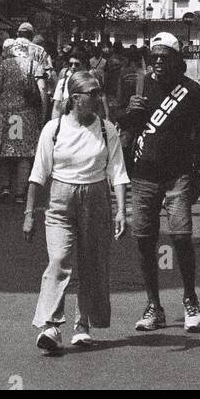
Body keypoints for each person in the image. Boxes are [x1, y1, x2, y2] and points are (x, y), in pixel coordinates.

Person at [24, 70, 128, 353]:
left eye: (98, 92)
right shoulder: (53, 129)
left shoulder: (106, 129)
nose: (98, 98)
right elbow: (38, 173)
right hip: (60, 199)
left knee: (92, 263)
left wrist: (121, 210)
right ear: (75, 99)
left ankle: (83, 326)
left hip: (96, 198)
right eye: (92, 94)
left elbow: (117, 171)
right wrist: (29, 213)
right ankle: (50, 324)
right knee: (58, 259)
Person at [118, 30, 200, 333]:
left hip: (178, 175)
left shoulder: (191, 91)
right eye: (153, 57)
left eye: (164, 58)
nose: (157, 62)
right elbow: (121, 123)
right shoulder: (139, 86)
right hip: (143, 174)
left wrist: (198, 175)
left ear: (176, 60)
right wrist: (129, 112)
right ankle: (153, 305)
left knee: (181, 237)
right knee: (144, 241)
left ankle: (190, 298)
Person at [0, 37, 49, 204]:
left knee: (6, 152)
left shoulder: (4, 65)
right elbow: (43, 91)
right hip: (26, 114)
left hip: (6, 114)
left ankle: (5, 187)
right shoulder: (35, 65)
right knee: (23, 153)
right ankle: (21, 193)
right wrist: (43, 115)